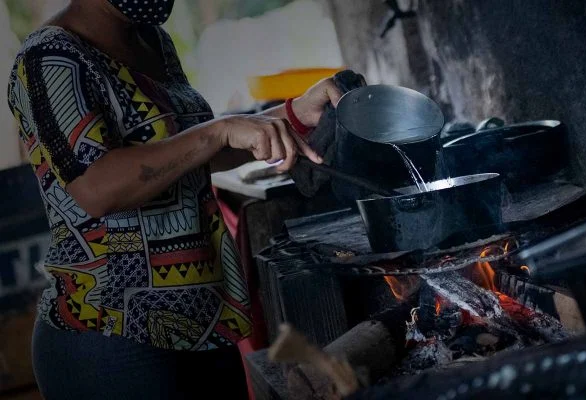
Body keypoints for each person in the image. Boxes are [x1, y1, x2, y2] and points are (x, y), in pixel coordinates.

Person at [6, 0, 342, 398]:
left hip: (201, 321)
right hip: (111, 335)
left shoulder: (153, 42)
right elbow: (96, 188)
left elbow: (188, 156)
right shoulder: (49, 57)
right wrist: (217, 130)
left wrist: (295, 114)